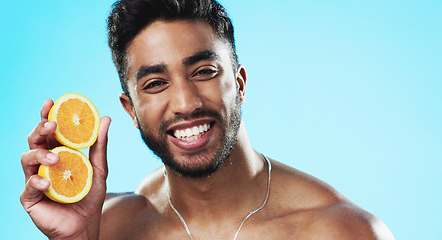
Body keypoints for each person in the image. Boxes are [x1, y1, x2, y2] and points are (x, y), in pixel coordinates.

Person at [20, 0, 395, 239]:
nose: (185, 103)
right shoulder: (107, 227)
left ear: (240, 83)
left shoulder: (338, 232)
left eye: (203, 71)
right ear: (130, 110)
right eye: (155, 83)